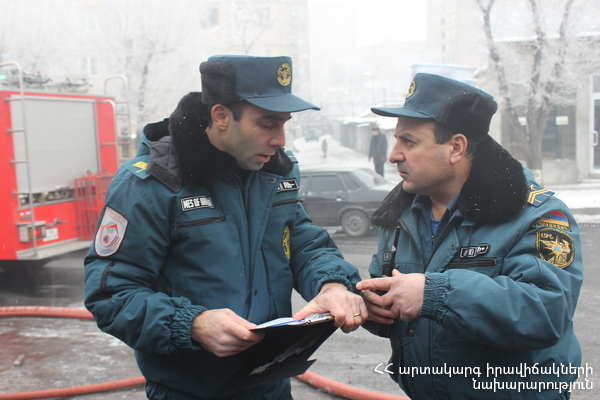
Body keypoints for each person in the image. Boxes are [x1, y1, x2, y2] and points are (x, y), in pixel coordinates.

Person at [83, 55, 367, 400]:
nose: (280, 139)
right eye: (267, 124)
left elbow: (303, 244)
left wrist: (332, 283)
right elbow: (112, 294)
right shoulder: (148, 186)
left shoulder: (276, 173)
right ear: (220, 116)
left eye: (284, 124)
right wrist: (192, 324)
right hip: (188, 393)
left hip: (270, 385)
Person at [357, 73, 583, 399]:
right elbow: (400, 306)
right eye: (396, 140)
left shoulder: (537, 215)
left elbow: (546, 314)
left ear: (456, 148)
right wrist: (375, 310)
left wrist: (435, 294)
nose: (393, 155)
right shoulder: (400, 214)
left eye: (409, 142)